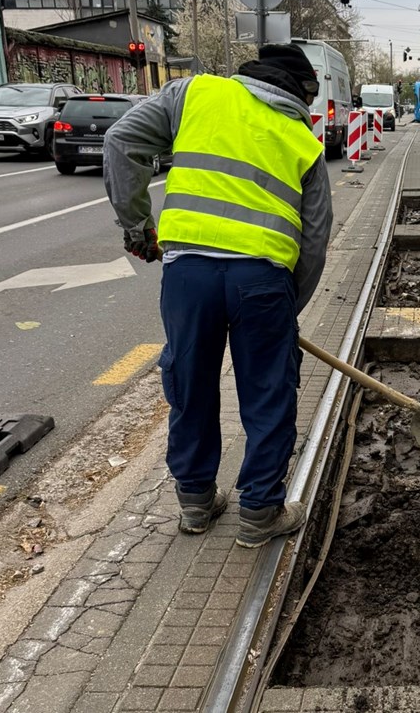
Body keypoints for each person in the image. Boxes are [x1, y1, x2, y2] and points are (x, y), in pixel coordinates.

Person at [103, 44, 333, 548]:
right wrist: (287, 307)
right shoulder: (303, 140)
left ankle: (196, 502)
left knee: (190, 383)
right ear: (301, 90)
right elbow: (316, 238)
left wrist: (138, 226)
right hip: (263, 280)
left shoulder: (193, 93)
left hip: (188, 274)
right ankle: (260, 511)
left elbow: (121, 141)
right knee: (268, 392)